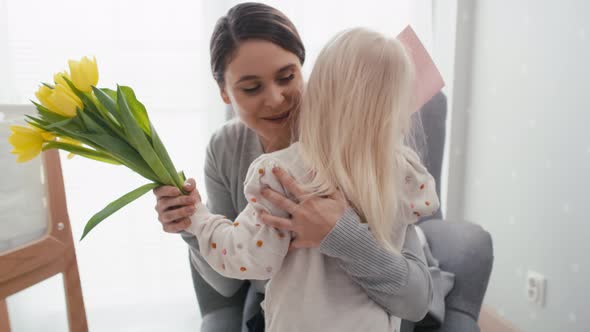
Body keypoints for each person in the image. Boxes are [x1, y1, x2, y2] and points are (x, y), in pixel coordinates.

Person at [153, 3, 433, 331]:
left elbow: (415, 300)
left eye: (287, 77)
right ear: (224, 93)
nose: (274, 99)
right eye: (251, 87)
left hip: (381, 301)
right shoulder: (226, 148)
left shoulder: (367, 150)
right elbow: (229, 282)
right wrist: (188, 221)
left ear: (305, 70)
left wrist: (341, 235)